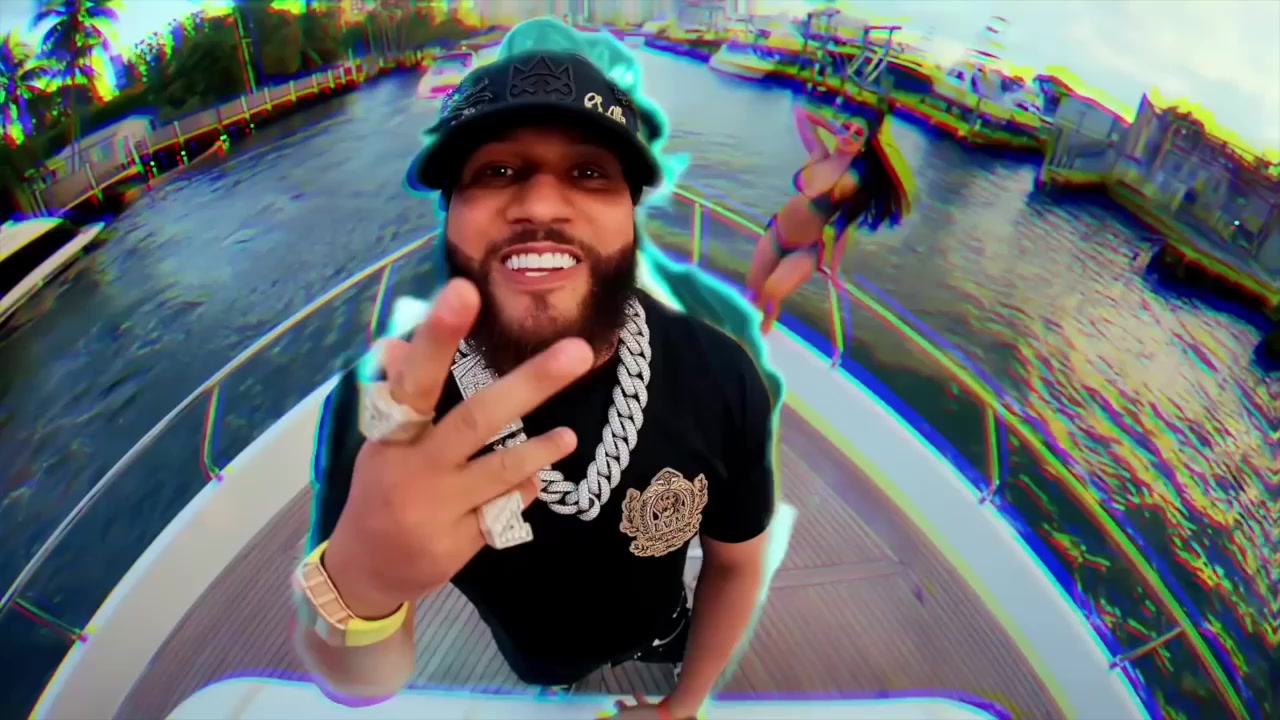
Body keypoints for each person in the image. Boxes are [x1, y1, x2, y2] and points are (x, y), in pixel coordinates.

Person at [292, 19, 779, 720]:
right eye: (495, 172)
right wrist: (363, 588)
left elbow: (733, 564)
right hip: (531, 655)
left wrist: (682, 708)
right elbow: (359, 684)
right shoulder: (384, 406)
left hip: (667, 628)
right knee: (548, 673)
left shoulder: (722, 375)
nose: (541, 206)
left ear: (631, 211)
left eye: (589, 173)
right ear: (450, 213)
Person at [746, 100, 913, 333]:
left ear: (863, 147)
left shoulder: (850, 180)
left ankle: (759, 336)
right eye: (847, 128)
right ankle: (742, 335)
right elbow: (801, 112)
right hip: (775, 232)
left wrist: (834, 270)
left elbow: (844, 224)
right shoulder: (819, 155)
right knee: (753, 292)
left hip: (805, 249)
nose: (849, 135)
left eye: (857, 135)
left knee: (772, 292)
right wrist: (836, 128)